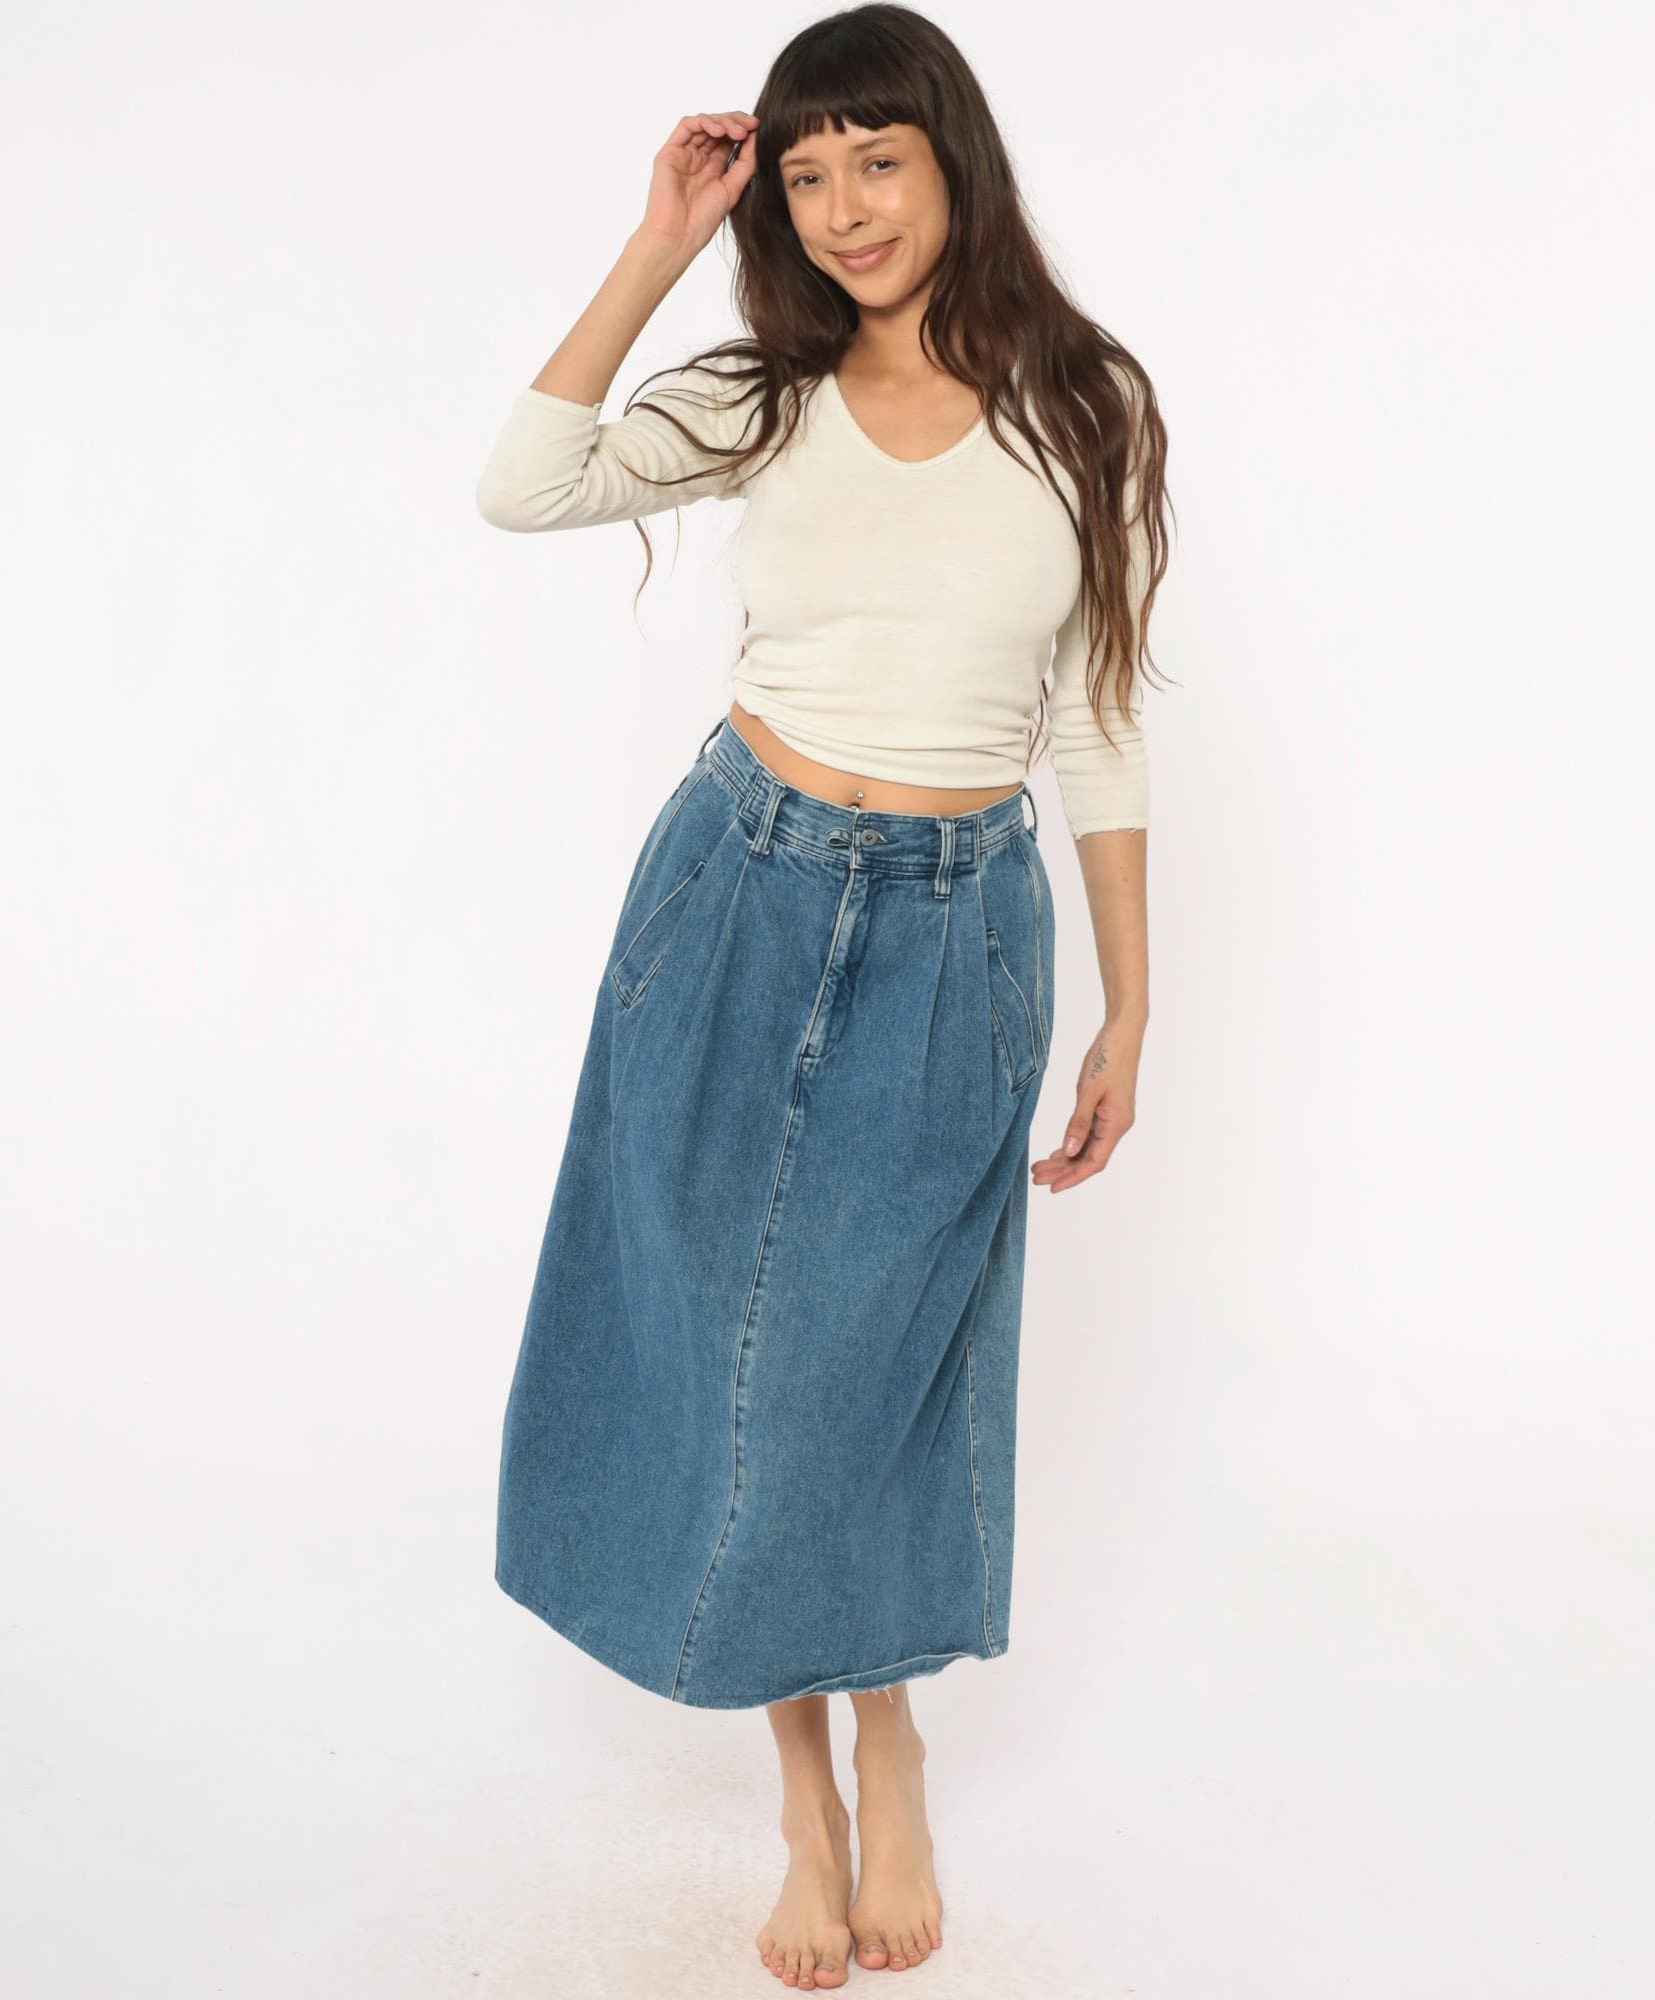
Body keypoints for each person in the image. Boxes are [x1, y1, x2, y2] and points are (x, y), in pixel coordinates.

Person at [475, 6, 1170, 1987]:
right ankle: (805, 1788)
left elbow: (1096, 718)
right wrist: (661, 241)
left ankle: (894, 1733)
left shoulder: (1083, 408)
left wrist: (1130, 1009)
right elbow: (524, 485)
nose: (846, 208)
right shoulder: (761, 394)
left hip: (957, 938)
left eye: (877, 159)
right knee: (733, 1356)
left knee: (878, 1363)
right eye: (804, 176)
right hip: (737, 897)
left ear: (953, 160)